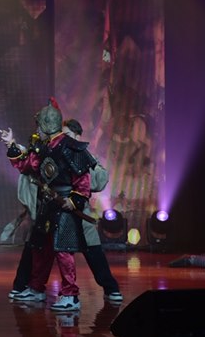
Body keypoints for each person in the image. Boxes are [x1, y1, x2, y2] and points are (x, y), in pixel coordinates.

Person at [8, 120, 123, 304]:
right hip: (48, 213)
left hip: (77, 214)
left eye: (67, 135)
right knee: (37, 248)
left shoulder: (83, 155)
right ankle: (25, 286)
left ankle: (110, 288)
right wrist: (13, 146)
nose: (62, 139)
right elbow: (31, 167)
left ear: (77, 137)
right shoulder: (49, 153)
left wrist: (74, 176)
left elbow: (98, 181)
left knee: (93, 252)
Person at [0, 98, 96, 312]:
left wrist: (75, 200)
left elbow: (83, 179)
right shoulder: (44, 148)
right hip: (47, 206)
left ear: (46, 124)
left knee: (63, 251)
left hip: (64, 206)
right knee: (40, 248)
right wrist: (11, 143)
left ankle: (70, 295)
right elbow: (26, 165)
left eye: (39, 126)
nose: (37, 130)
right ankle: (36, 288)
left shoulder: (71, 147)